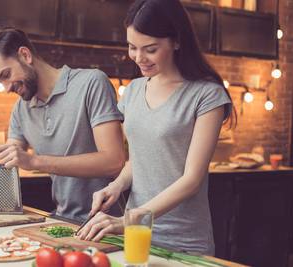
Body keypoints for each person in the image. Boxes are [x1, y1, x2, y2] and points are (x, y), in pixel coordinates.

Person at [77, 0, 235, 256]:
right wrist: (116, 186)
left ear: (176, 41)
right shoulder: (134, 90)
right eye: (132, 47)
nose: (139, 58)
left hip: (183, 241)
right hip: (137, 236)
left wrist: (129, 220)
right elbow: (138, 160)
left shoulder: (207, 95)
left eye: (150, 49)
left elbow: (191, 179)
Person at [0, 28, 126, 222]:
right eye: (0, 82)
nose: (7, 88)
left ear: (25, 55)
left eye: (7, 75)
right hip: (61, 221)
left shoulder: (91, 83)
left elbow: (114, 162)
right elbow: (9, 160)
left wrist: (34, 161)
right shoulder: (20, 109)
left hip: (107, 224)